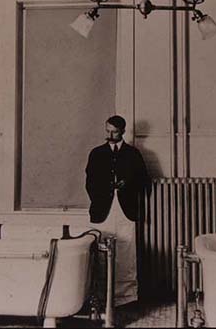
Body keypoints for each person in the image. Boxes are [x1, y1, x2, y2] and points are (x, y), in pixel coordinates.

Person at [85, 115, 149, 307]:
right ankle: (100, 295)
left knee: (127, 250)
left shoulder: (133, 154)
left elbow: (143, 181)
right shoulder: (96, 153)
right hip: (102, 209)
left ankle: (127, 296)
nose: (110, 135)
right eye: (108, 131)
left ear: (123, 131)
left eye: (114, 132)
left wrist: (126, 184)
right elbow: (89, 182)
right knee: (101, 249)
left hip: (126, 209)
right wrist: (104, 190)